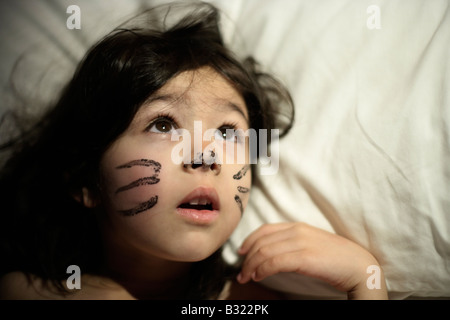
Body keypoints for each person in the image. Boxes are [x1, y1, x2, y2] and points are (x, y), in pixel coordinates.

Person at [0, 2, 387, 300]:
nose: (204, 156)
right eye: (163, 124)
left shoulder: (250, 297)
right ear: (86, 181)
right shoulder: (25, 290)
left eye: (228, 132)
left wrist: (364, 279)